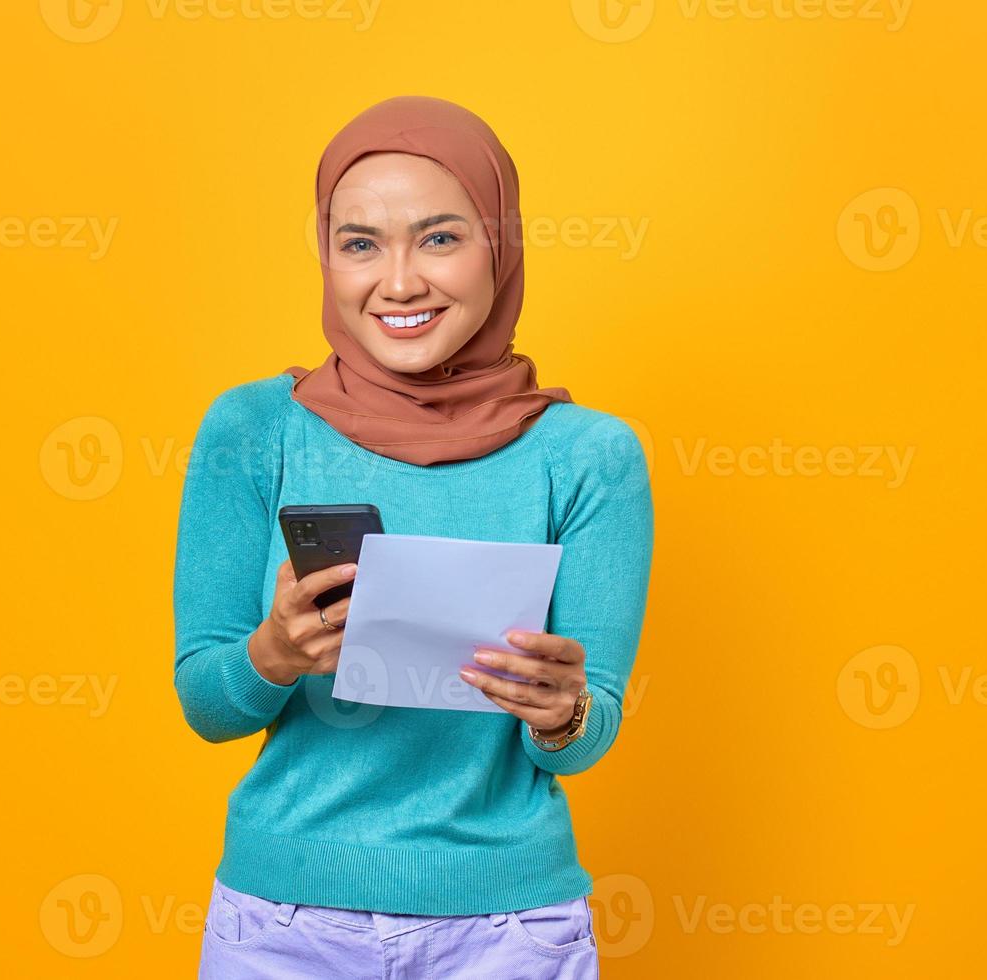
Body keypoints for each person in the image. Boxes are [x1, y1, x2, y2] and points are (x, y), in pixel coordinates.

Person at [173, 94, 654, 979]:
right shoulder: (252, 430)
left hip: (508, 932)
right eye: (360, 244)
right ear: (326, 255)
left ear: (498, 247)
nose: (398, 283)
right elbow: (205, 703)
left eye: (439, 238)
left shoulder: (591, 457)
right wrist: (275, 654)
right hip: (281, 928)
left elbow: (593, 729)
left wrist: (562, 714)